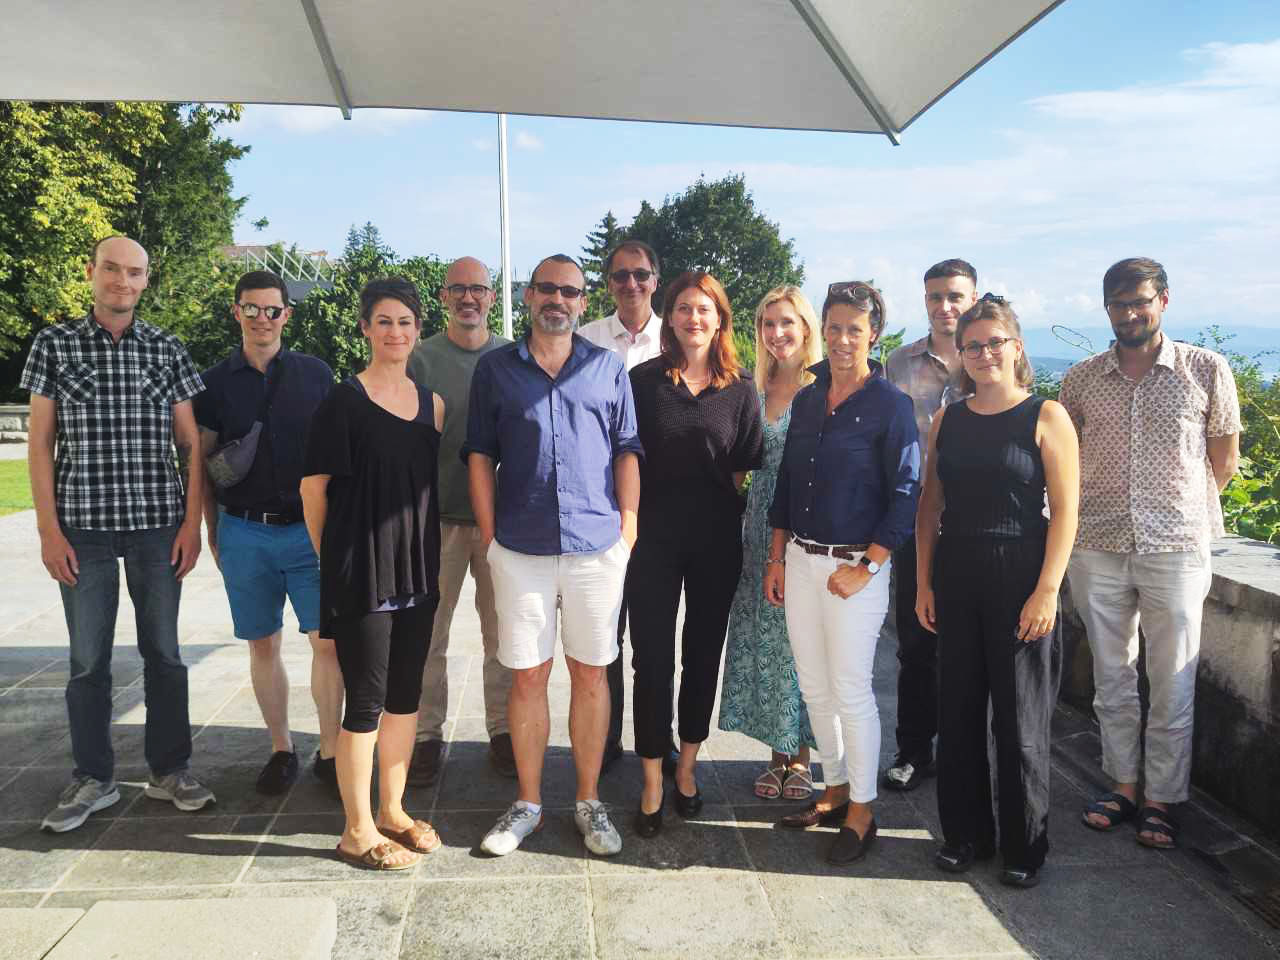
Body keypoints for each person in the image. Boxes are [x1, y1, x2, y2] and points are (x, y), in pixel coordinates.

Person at [24, 235, 215, 833]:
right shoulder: (55, 345)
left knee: (165, 655)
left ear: (144, 281)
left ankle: (170, 769)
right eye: (112, 269)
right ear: (91, 273)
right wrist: (49, 530)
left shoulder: (165, 348)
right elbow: (39, 443)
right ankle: (93, 777)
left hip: (158, 528)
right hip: (84, 531)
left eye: (134, 273)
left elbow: (191, 444)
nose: (122, 281)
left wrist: (191, 524)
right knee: (88, 662)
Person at [466, 254, 641, 858]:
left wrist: (628, 529)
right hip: (521, 546)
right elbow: (479, 456)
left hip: (596, 546)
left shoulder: (607, 369)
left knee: (592, 674)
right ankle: (530, 803)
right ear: (530, 293)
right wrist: (490, 538)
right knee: (528, 676)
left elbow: (627, 451)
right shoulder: (496, 371)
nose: (557, 300)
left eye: (569, 291)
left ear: (583, 301)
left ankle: (589, 801)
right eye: (547, 289)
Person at [1063, 258, 1239, 850]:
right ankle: (1124, 786)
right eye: (1117, 303)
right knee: (1111, 678)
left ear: (1163, 299)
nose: (1128, 312)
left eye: (1139, 300)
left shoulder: (1206, 370)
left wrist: (1179, 508)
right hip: (1098, 544)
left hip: (1176, 545)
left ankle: (1163, 798)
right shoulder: (1083, 378)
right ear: (1106, 308)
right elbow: (1067, 457)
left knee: (1172, 679)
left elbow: (1225, 461)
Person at [915, 295, 1078, 887]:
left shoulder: (1046, 415)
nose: (984, 354)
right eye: (972, 346)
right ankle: (964, 836)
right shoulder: (948, 418)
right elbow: (929, 504)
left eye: (994, 342)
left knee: (1019, 721)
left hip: (1020, 575)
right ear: (961, 355)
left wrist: (1046, 591)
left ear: (1017, 347)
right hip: (956, 571)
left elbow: (1065, 512)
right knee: (955, 714)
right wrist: (924, 583)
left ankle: (1023, 847)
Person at [764, 280, 919, 865]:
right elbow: (784, 487)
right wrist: (778, 558)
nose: (843, 339)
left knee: (852, 689)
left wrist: (869, 565)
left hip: (856, 565)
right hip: (801, 560)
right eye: (833, 328)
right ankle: (832, 789)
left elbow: (905, 493)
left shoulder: (891, 405)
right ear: (821, 332)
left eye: (855, 328)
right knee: (814, 686)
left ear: (873, 333)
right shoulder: (808, 399)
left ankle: (862, 808)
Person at [300, 278, 446, 871]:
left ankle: (393, 810)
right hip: (362, 572)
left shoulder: (432, 404)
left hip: (416, 571)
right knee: (364, 702)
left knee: (405, 700)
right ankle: (356, 830)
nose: (395, 332)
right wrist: (333, 562)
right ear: (365, 328)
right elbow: (314, 491)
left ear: (417, 330)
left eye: (405, 322)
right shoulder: (343, 400)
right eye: (383, 321)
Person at [627, 271, 763, 837]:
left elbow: (739, 471)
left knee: (703, 654)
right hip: (653, 540)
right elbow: (627, 458)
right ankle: (652, 776)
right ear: (670, 315)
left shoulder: (741, 388)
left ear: (720, 318)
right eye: (684, 308)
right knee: (652, 659)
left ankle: (687, 767)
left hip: (714, 540)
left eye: (704, 309)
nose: (694, 318)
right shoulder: (642, 381)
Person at [195, 270, 341, 794]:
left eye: (272, 309)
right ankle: (281, 748)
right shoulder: (212, 384)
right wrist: (212, 532)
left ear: (287, 315)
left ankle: (330, 750)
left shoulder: (315, 374)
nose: (262, 318)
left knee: (326, 642)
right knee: (262, 645)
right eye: (251, 308)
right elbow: (202, 462)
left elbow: (336, 456)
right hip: (244, 531)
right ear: (236, 311)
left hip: (308, 533)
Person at [405, 257, 513, 787]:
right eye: (458, 290)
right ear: (444, 296)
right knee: (429, 637)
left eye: (479, 289)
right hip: (437, 521)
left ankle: (504, 731)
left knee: (504, 637)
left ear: (492, 296)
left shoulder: (513, 357)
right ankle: (425, 735)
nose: (469, 298)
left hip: (503, 525)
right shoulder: (419, 359)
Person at [718, 286, 823, 801]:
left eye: (787, 322)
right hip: (755, 532)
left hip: (806, 532)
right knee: (766, 643)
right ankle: (776, 752)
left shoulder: (823, 389)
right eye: (767, 323)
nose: (777, 333)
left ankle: (801, 757)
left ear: (806, 328)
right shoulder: (750, 386)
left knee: (800, 643)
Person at [576, 239, 676, 774]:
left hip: (663, 512)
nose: (631, 284)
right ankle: (606, 736)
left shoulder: (680, 337)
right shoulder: (585, 340)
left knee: (656, 640)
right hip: (599, 509)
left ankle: (658, 737)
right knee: (603, 636)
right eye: (620, 276)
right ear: (608, 282)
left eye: (640, 274)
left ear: (656, 279)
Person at [881, 259, 974, 792]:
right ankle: (915, 750)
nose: (945, 306)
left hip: (977, 524)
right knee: (915, 643)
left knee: (970, 647)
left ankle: (963, 752)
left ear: (972, 297)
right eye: (936, 296)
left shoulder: (988, 355)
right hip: (917, 524)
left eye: (955, 296)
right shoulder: (900, 362)